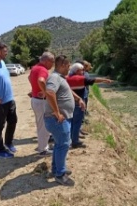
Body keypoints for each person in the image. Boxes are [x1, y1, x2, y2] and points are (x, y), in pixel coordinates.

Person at [44, 55, 85, 186]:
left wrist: (78, 99)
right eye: (68, 66)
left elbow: (67, 91)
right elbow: (49, 92)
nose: (69, 68)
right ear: (62, 65)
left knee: (59, 144)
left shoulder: (60, 78)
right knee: (64, 144)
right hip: (57, 120)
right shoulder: (55, 77)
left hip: (59, 119)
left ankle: (57, 169)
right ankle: (60, 175)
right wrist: (57, 113)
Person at [67, 63, 112, 148]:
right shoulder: (81, 79)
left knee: (71, 122)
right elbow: (94, 80)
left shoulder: (67, 79)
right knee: (77, 123)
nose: (83, 71)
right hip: (79, 104)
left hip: (69, 104)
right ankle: (75, 142)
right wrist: (105, 80)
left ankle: (70, 139)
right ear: (77, 71)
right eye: (81, 70)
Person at [29, 52, 55, 155]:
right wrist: (46, 92)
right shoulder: (43, 69)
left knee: (40, 125)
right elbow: (41, 80)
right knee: (44, 126)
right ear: (46, 61)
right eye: (52, 62)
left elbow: (30, 79)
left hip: (36, 100)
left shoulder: (35, 68)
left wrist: (35, 89)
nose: (52, 64)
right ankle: (43, 149)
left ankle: (42, 146)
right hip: (42, 101)